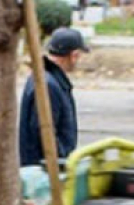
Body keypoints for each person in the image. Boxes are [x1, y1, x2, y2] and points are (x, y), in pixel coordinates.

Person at [19, 28, 89, 167]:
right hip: (45, 171)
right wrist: (60, 161)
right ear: (73, 55)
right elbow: (44, 133)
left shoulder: (43, 79)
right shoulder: (49, 85)